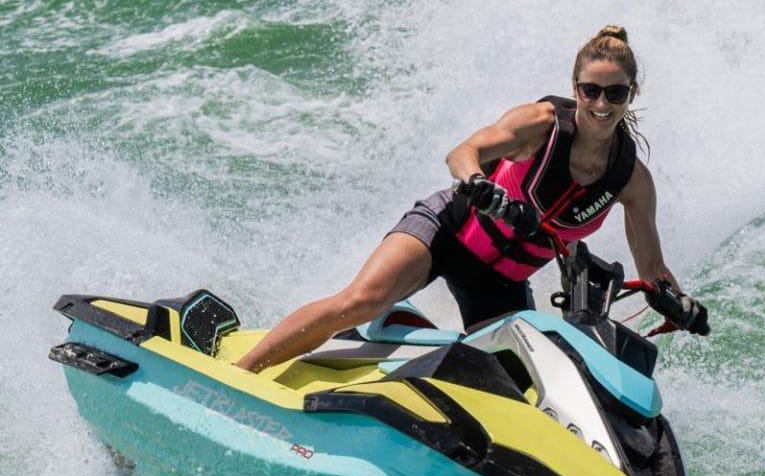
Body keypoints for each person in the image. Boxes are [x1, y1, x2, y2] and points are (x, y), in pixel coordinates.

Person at [235, 24, 703, 375]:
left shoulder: (631, 181)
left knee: (519, 380)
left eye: (615, 93)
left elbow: (653, 270)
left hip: (498, 281)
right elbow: (463, 153)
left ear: (632, 93)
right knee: (360, 301)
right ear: (575, 88)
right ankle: (242, 373)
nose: (601, 104)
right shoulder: (539, 125)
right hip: (447, 232)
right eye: (591, 91)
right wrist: (479, 184)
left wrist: (680, 304)